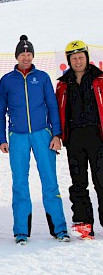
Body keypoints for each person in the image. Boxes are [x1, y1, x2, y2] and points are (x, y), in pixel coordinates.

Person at [0, 35, 69, 245]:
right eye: (22, 54)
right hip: (17, 136)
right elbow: (1, 111)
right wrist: (3, 138)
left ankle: (60, 229)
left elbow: (53, 106)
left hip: (41, 134)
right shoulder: (8, 80)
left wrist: (56, 134)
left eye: (28, 54)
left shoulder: (43, 77)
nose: (25, 57)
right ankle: (21, 231)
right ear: (16, 56)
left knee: (50, 181)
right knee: (19, 183)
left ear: (33, 55)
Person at [56, 40, 103, 240]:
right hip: (74, 138)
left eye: (80, 57)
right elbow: (57, 111)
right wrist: (59, 135)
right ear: (68, 60)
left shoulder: (99, 79)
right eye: (73, 58)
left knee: (101, 180)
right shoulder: (63, 83)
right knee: (78, 182)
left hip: (97, 137)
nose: (77, 61)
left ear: (87, 58)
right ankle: (84, 223)